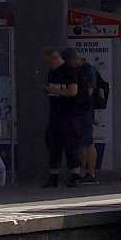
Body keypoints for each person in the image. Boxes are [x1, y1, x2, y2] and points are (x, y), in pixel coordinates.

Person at [41, 47, 80, 188]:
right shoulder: (52, 73)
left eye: (49, 62)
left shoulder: (69, 71)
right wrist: (48, 91)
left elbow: (73, 91)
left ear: (55, 58)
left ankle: (75, 175)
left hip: (69, 114)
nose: (48, 65)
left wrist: (53, 90)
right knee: (53, 144)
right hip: (55, 113)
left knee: (71, 144)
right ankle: (54, 175)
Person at [63, 49, 99, 184]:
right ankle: (82, 172)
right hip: (77, 110)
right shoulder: (76, 71)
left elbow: (89, 92)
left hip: (85, 110)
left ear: (75, 59)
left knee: (87, 141)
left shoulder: (88, 70)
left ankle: (91, 173)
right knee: (81, 142)